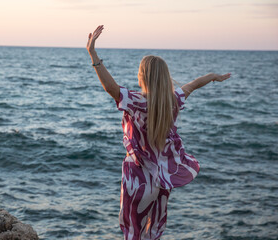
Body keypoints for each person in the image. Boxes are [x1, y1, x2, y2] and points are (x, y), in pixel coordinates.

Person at [86, 25, 231, 240]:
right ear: (164, 77)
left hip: (137, 177)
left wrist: (93, 53)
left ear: (143, 76)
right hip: (162, 179)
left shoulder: (137, 101)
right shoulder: (172, 100)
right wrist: (213, 76)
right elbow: (193, 84)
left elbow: (111, 88)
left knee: (132, 229)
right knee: (154, 231)